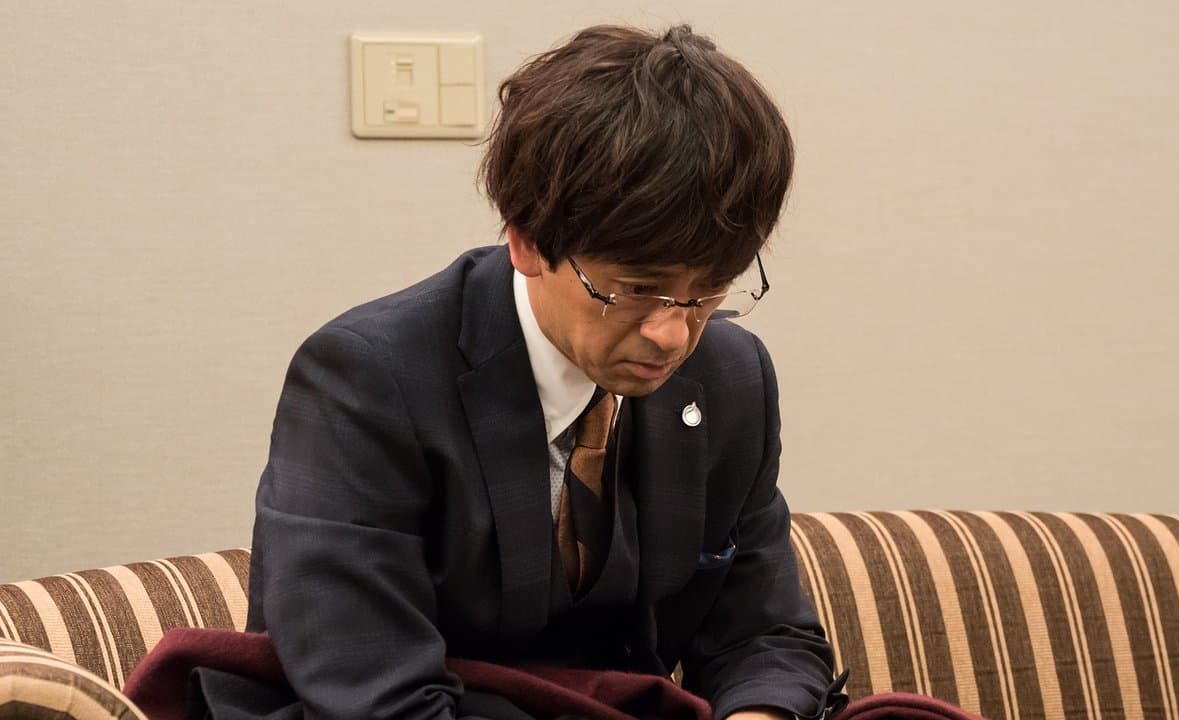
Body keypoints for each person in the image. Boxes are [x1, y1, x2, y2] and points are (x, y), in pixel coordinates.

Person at [240, 23, 839, 720]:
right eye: (635, 289)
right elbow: (372, 694)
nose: (673, 334)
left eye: (709, 291)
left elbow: (765, 636)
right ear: (525, 242)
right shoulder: (367, 380)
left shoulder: (730, 378)